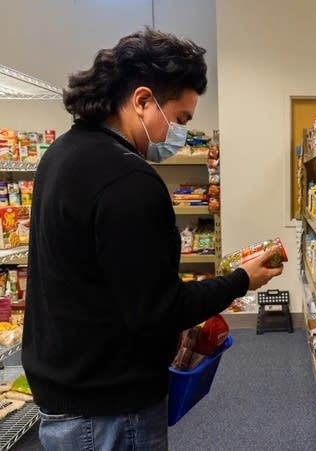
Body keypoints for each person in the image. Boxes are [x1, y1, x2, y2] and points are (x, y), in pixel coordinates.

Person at [22, 28, 283, 450]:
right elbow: (158, 311)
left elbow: (104, 282)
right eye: (179, 120)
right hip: (109, 408)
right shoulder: (128, 179)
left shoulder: (63, 154)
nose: (177, 135)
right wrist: (240, 280)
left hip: (70, 391)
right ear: (143, 100)